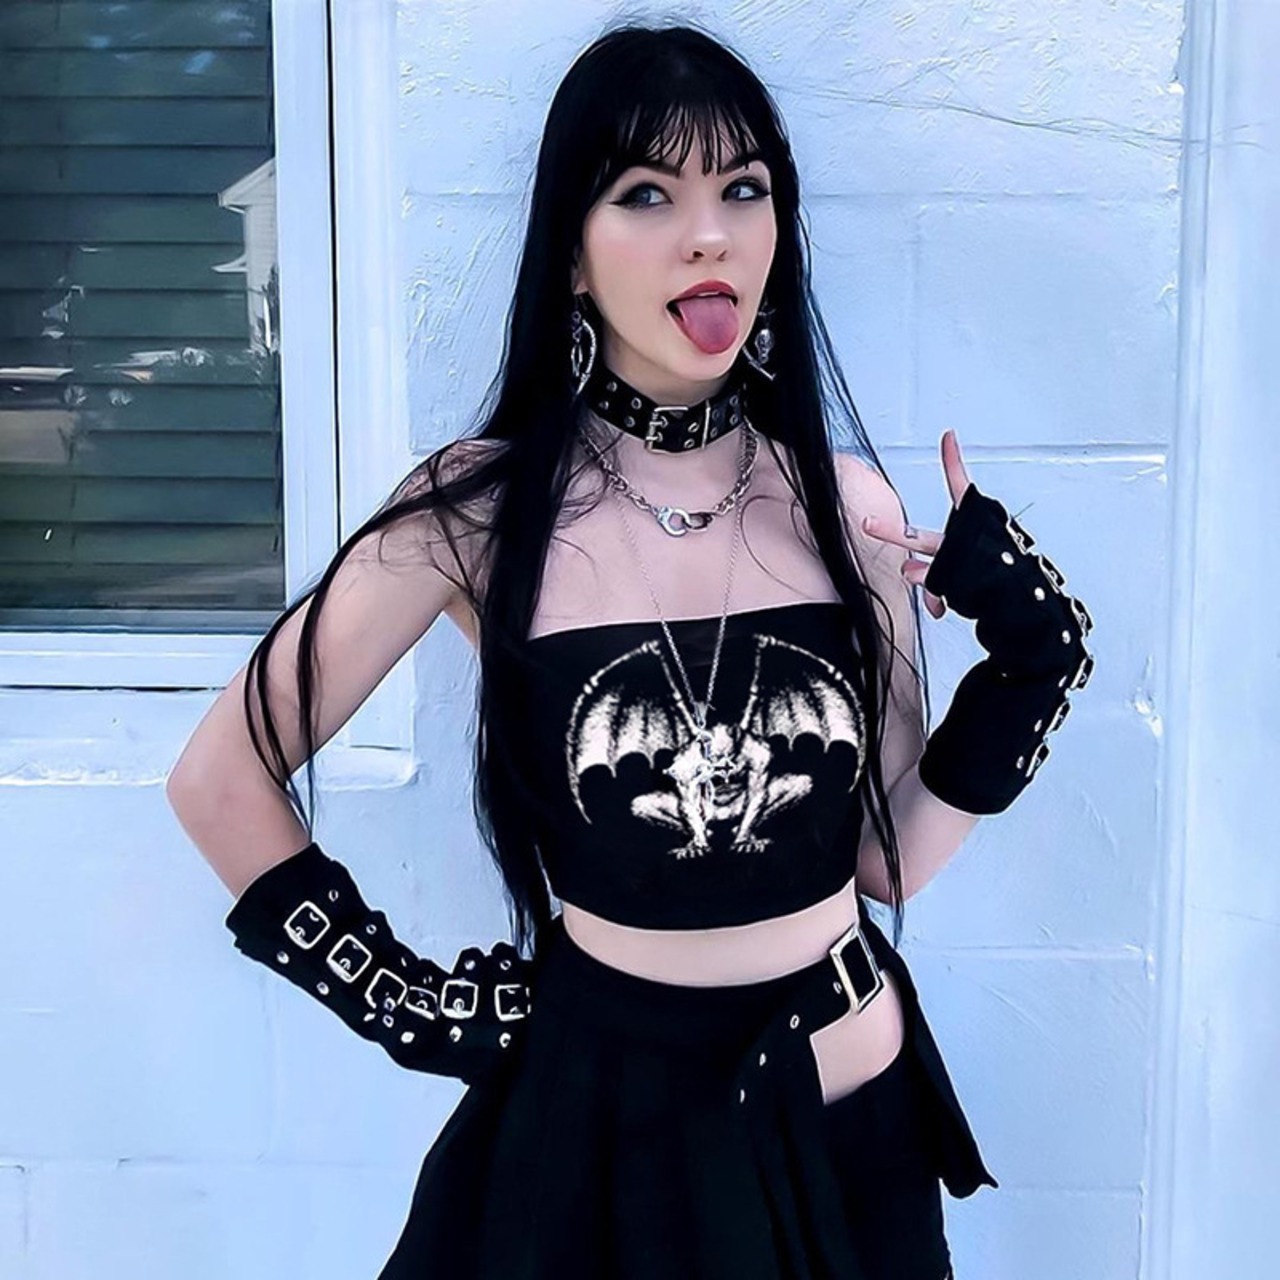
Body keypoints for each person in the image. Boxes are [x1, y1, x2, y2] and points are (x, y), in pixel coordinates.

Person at [166, 21, 1094, 1280]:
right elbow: (219, 777)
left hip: (849, 1138)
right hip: (611, 1139)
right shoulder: (476, 513)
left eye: (741, 189)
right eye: (647, 193)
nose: (708, 234)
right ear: (570, 248)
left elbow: (886, 858)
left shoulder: (849, 506)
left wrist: (1028, 671)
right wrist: (414, 1005)